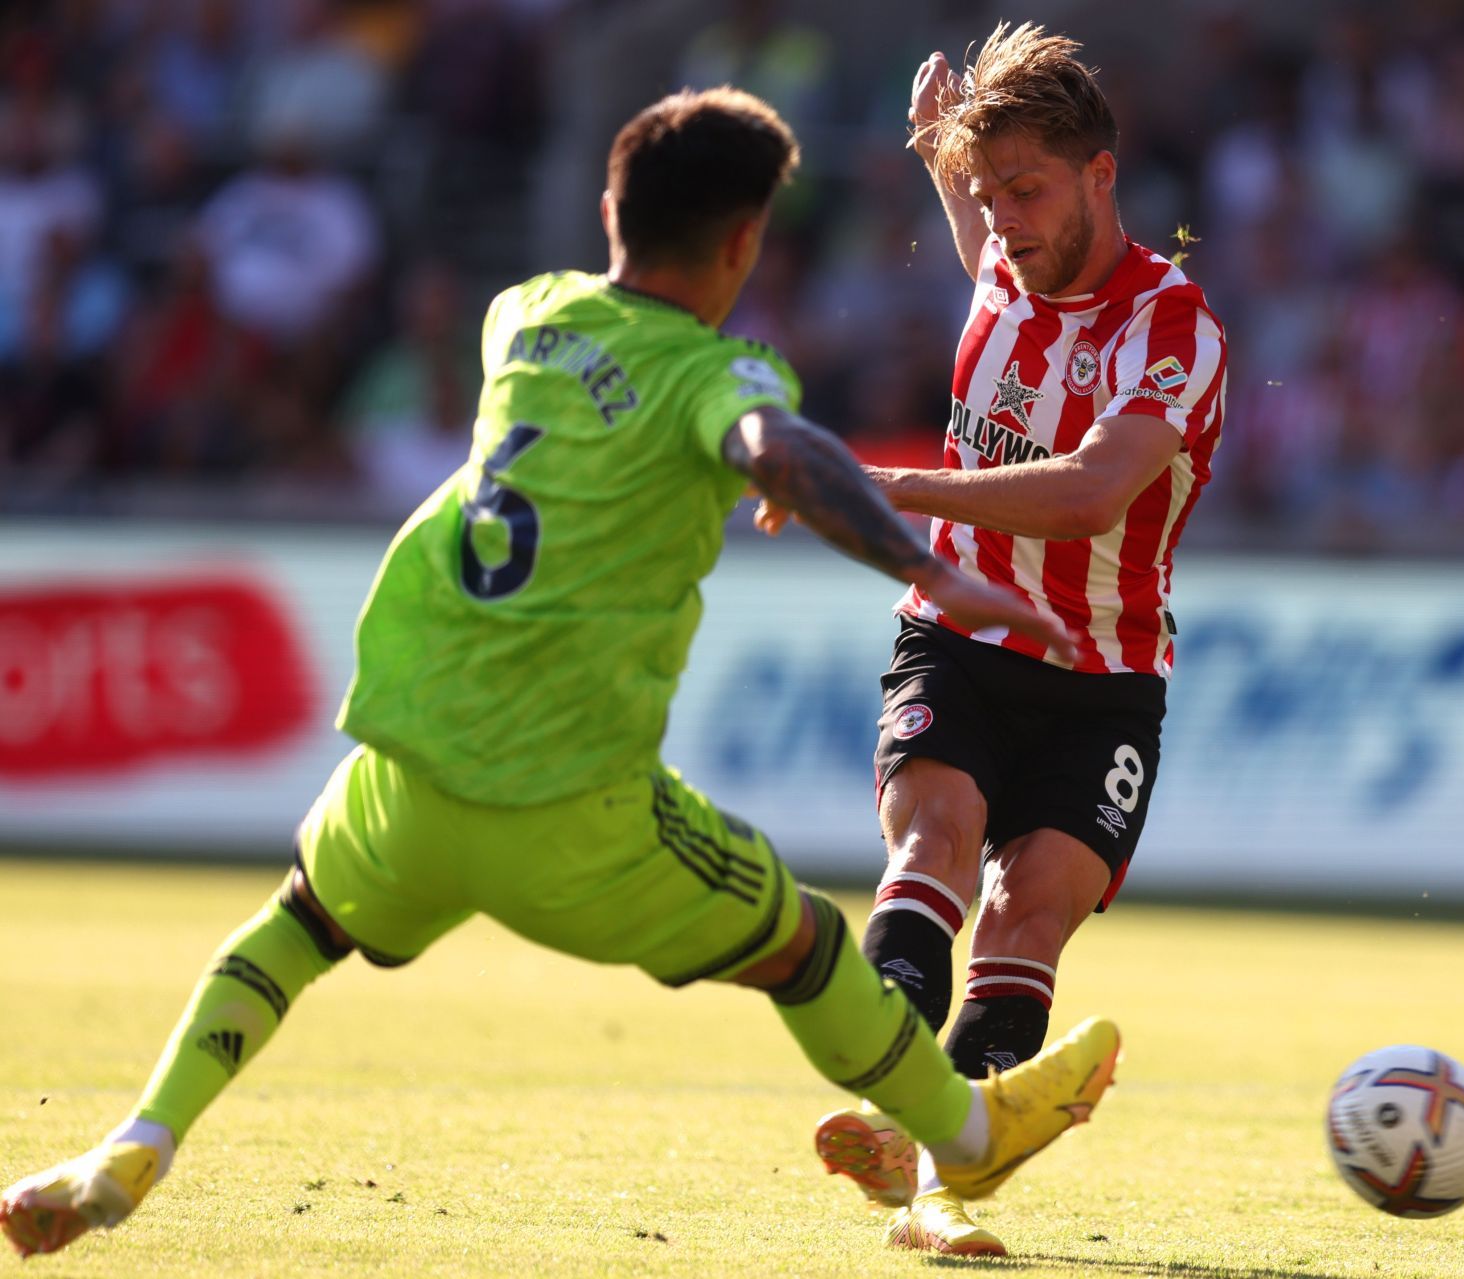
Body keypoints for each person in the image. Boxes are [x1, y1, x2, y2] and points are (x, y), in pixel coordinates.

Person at [0, 87, 1121, 1261]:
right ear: (744, 244)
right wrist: (928, 571)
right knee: (806, 947)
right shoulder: (719, 377)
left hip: (410, 764)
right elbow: (769, 447)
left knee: (288, 933)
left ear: (607, 209)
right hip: (574, 806)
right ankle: (965, 1128)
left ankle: (140, 1136)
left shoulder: (522, 318)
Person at [797, 23, 1226, 1257]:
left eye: (1028, 191)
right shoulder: (1005, 253)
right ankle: (898, 1113)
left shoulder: (1172, 328)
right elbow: (978, 201)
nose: (1005, 224)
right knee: (936, 837)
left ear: (1102, 173)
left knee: (1030, 912)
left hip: (1107, 673)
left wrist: (897, 486)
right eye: (988, 199)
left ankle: (933, 1179)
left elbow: (1094, 492)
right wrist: (952, 152)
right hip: (962, 632)